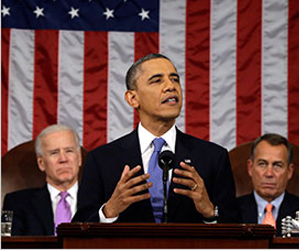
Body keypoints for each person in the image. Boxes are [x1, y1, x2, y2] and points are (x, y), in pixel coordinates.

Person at [73, 53, 240, 224]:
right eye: (157, 80)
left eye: (175, 79)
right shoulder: (101, 160)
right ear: (133, 98)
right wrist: (109, 211)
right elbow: (79, 231)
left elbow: (236, 232)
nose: (171, 86)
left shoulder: (213, 157)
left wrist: (209, 211)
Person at [2, 124, 82, 235]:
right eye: (54, 153)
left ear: (79, 158)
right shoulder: (17, 203)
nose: (63, 159)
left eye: (69, 151)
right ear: (41, 163)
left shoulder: (101, 201)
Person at [237, 133, 299, 236]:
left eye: (277, 165)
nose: (269, 173)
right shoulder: (231, 210)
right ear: (250, 168)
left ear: (289, 171)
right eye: (262, 164)